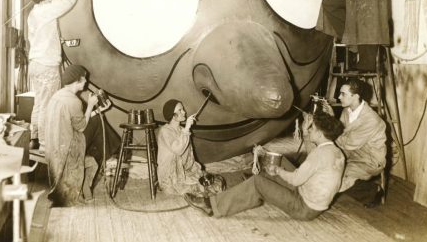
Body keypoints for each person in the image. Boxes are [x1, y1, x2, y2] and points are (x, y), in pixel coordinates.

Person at [184, 111, 345, 220]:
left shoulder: (319, 155)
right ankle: (261, 182)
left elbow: (296, 180)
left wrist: (278, 171)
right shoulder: (335, 152)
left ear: (320, 133)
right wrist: (303, 129)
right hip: (315, 204)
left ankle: (212, 206)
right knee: (280, 159)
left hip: (303, 207)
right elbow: (313, 160)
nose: (310, 131)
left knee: (258, 182)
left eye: (312, 129)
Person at [27, 0, 84, 150]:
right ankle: (45, 143)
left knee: (39, 102)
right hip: (46, 65)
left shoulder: (34, 13)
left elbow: (39, 37)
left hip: (35, 64)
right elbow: (68, 2)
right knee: (47, 104)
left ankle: (34, 137)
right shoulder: (47, 9)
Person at [44, 64, 111, 206]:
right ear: (77, 81)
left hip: (53, 146)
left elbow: (75, 121)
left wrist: (96, 111)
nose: (86, 82)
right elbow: (81, 127)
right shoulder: (74, 101)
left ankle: (110, 153)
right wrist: (91, 106)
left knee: (98, 118)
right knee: (99, 123)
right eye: (84, 79)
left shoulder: (57, 96)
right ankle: (110, 155)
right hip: (67, 151)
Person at [320, 78, 387, 193]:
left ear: (355, 96)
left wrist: (332, 125)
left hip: (369, 160)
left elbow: (347, 143)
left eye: (343, 94)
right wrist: (331, 117)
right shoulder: (346, 111)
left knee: (336, 180)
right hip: (352, 152)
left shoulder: (371, 119)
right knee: (325, 168)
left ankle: (374, 191)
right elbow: (342, 134)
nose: (339, 97)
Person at [156, 99, 205, 196]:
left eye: (183, 109)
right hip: (170, 173)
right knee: (198, 188)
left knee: (205, 180)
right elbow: (178, 150)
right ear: (172, 115)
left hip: (182, 169)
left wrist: (190, 169)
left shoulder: (182, 130)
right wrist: (187, 128)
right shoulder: (165, 131)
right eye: (180, 110)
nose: (184, 112)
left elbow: (189, 155)